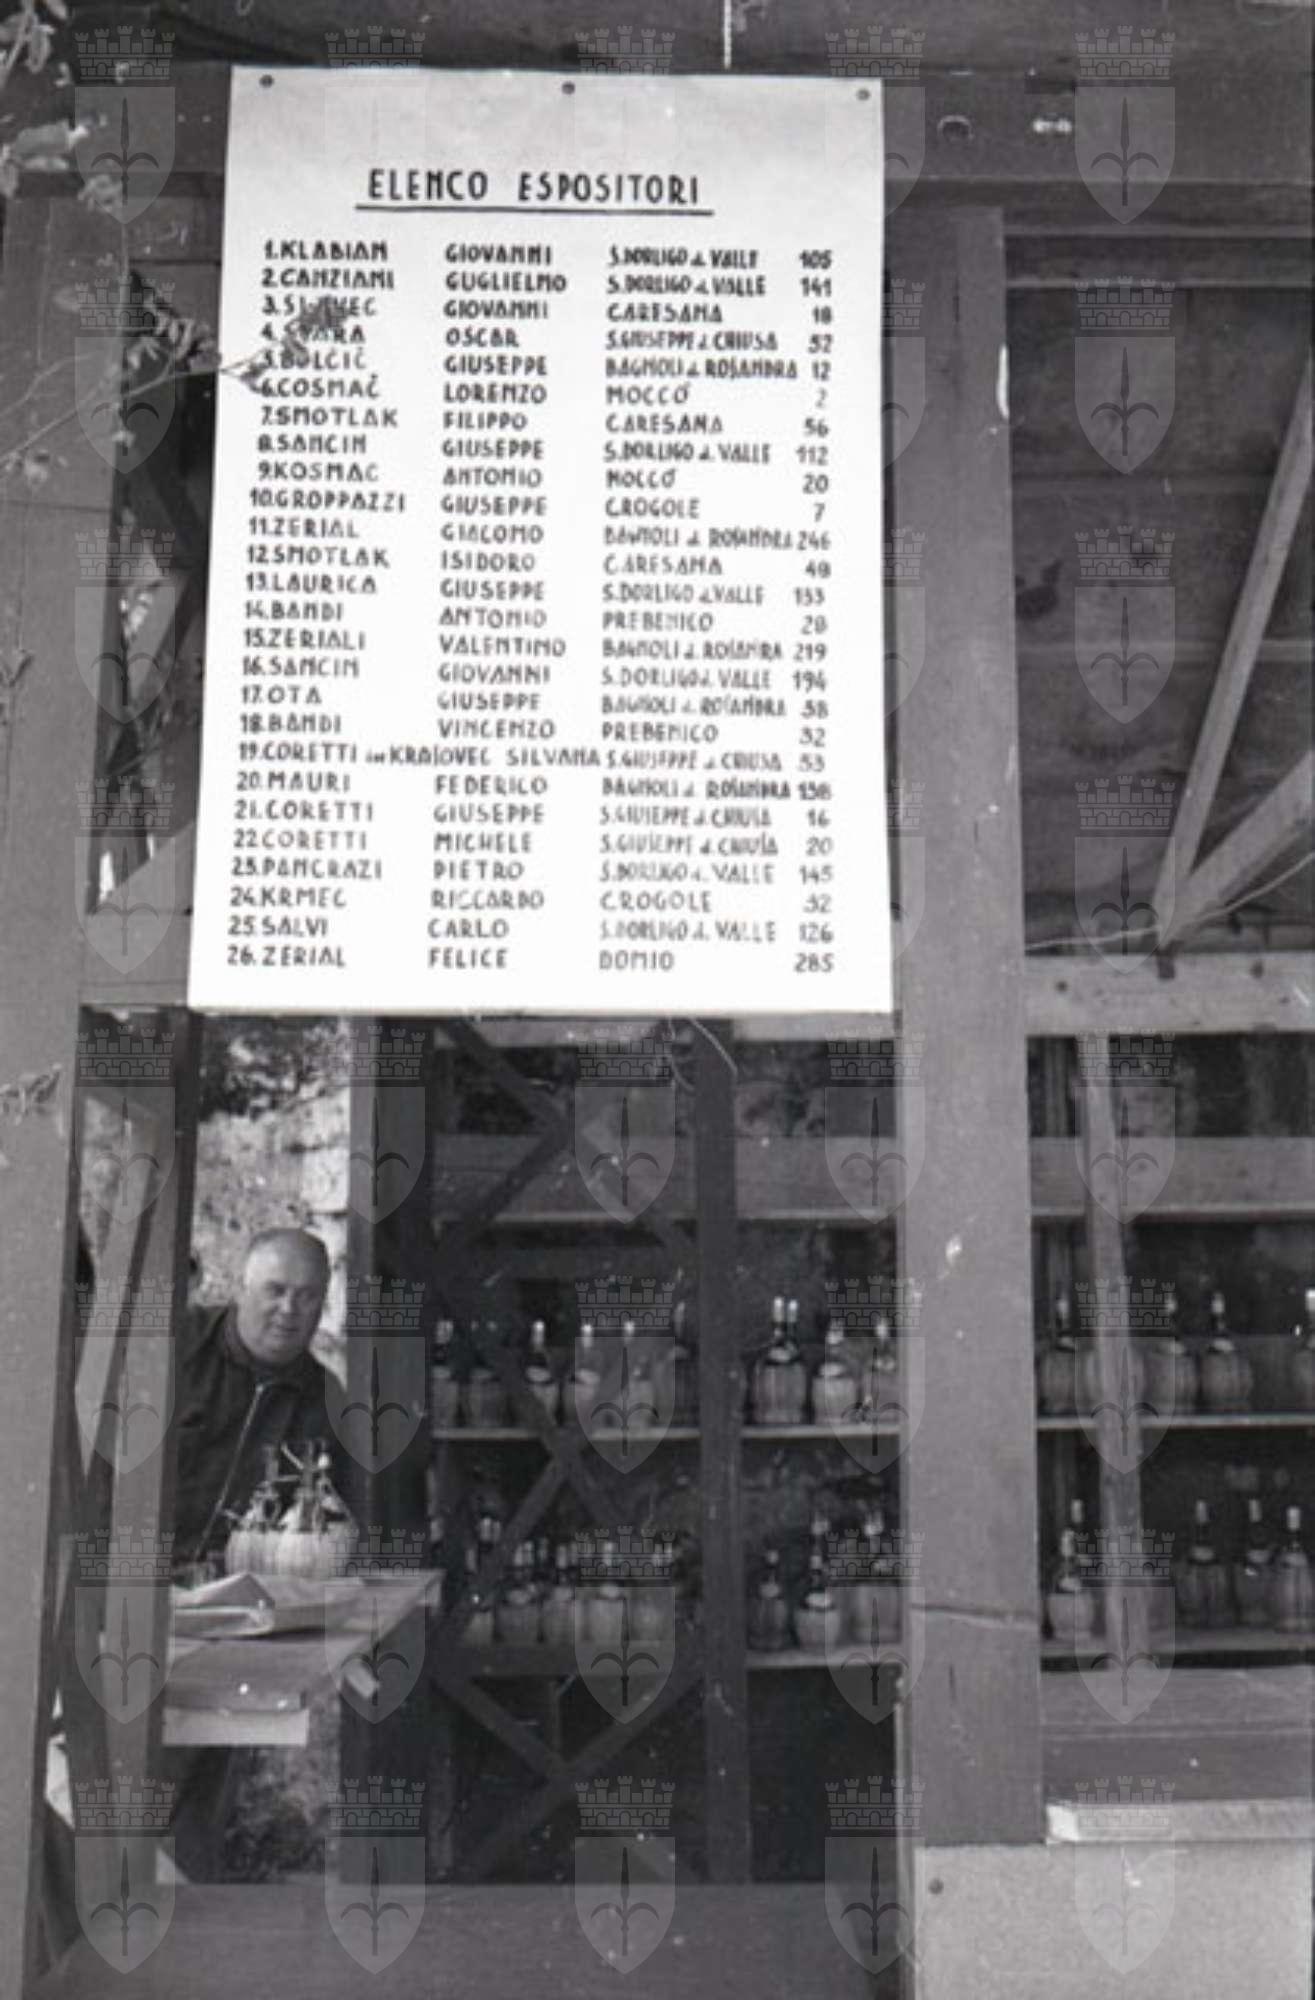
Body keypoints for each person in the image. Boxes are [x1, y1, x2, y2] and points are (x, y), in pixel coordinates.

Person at [174, 1226, 351, 1570]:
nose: (289, 1309)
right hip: (130, 1580)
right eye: (275, 1290)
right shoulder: (175, 1344)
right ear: (241, 1288)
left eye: (307, 1295)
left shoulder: (327, 1400)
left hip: (246, 1590)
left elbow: (335, 1525)